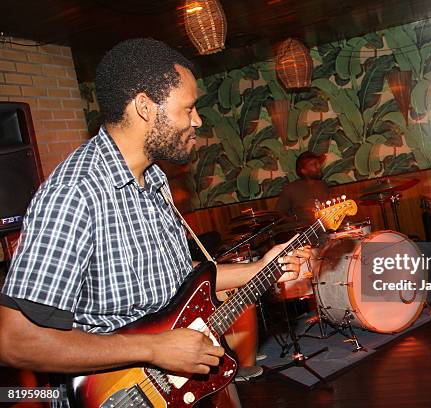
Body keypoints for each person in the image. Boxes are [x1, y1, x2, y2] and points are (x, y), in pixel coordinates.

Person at [0, 38, 310, 407]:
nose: (197, 120)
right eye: (189, 108)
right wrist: (153, 348)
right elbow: (16, 340)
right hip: (118, 395)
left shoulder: (155, 179)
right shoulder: (76, 193)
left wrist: (260, 268)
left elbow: (176, 276)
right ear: (145, 107)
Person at [275, 151, 330, 226]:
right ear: (303, 171)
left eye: (318, 163)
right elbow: (279, 213)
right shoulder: (291, 188)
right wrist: (295, 224)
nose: (318, 167)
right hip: (303, 232)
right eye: (313, 164)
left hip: (325, 227)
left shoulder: (323, 185)